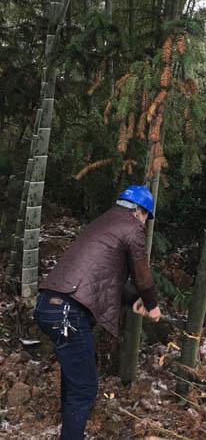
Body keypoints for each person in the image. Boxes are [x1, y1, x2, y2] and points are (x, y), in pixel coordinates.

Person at [33, 185, 161, 440]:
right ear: (139, 211)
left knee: (74, 383)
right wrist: (152, 303)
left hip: (49, 305)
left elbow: (102, 279)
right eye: (146, 217)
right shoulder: (131, 226)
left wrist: (134, 299)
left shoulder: (103, 222)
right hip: (69, 312)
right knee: (85, 388)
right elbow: (142, 275)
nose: (145, 223)